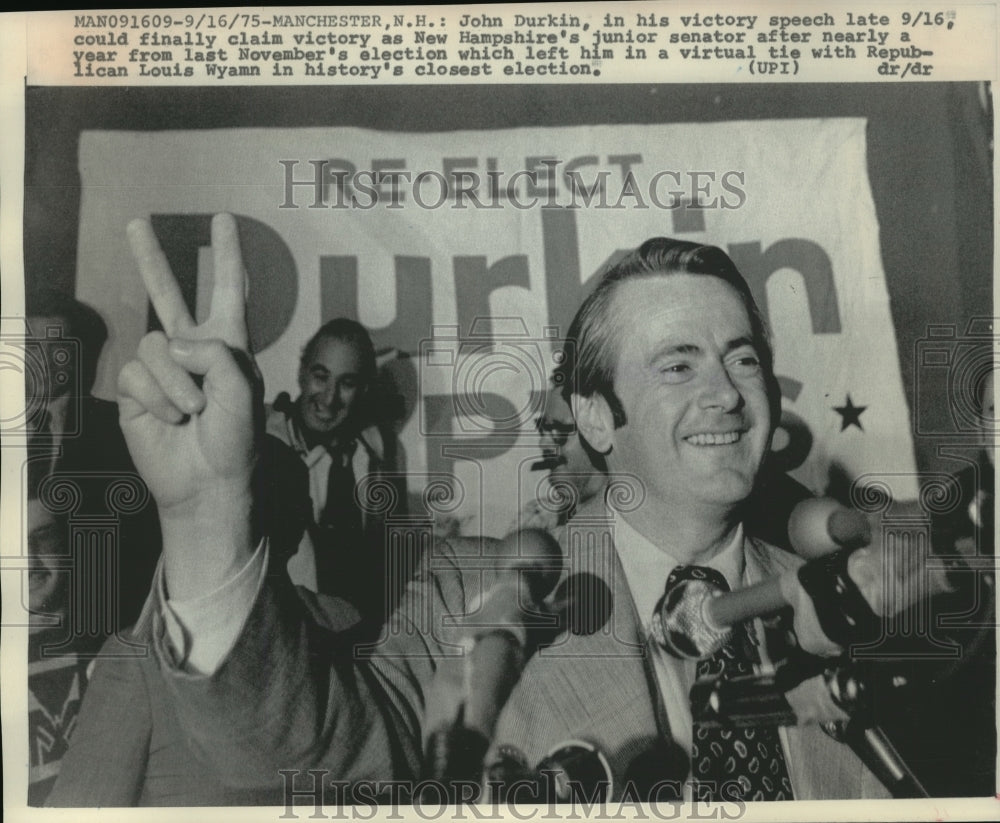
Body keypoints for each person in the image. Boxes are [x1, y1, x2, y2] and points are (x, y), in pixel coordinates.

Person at [116, 216, 897, 802]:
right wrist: (207, 519)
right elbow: (313, 750)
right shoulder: (472, 592)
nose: (725, 391)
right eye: (677, 363)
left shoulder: (856, 602)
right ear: (596, 418)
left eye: (744, 357)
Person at [25, 288, 161, 631]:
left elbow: (142, 551)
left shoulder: (126, 434)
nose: (35, 362)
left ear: (80, 358)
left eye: (53, 350)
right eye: (26, 347)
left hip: (103, 632)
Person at [265, 318, 404, 625]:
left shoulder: (373, 450)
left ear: (363, 388)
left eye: (346, 383)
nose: (329, 398)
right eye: (320, 376)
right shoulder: (262, 442)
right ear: (302, 373)